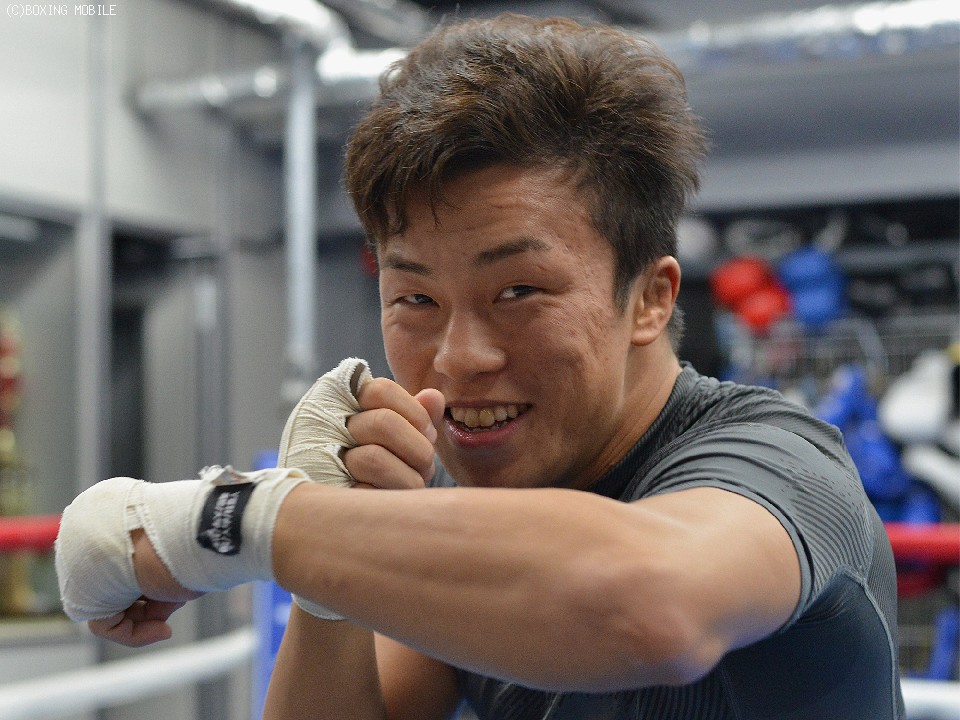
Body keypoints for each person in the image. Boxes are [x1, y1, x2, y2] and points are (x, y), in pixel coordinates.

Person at [56, 13, 903, 720]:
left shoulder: (783, 463)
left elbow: (649, 605)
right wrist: (331, 561)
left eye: (519, 291)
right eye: (414, 298)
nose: (458, 357)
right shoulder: (469, 515)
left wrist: (231, 523)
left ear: (649, 299)